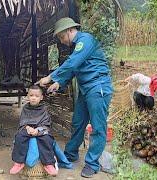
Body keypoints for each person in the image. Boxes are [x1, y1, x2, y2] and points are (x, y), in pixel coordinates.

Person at [35, 17, 113, 178]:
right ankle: (70, 155)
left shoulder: (86, 40)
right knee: (78, 122)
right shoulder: (78, 46)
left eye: (62, 37)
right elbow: (73, 68)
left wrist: (50, 77)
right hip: (86, 90)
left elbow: (72, 62)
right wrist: (59, 83)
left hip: (98, 87)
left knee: (98, 127)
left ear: (70, 30)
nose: (62, 41)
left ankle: (92, 164)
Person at [10, 85, 58, 176]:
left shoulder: (44, 109)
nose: (33, 98)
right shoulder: (25, 108)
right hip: (27, 129)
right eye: (31, 95)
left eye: (36, 96)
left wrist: (38, 130)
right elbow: (23, 122)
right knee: (19, 137)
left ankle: (48, 163)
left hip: (41, 129)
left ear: (41, 97)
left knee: (47, 139)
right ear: (28, 96)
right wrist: (28, 128)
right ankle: (19, 162)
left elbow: (47, 124)